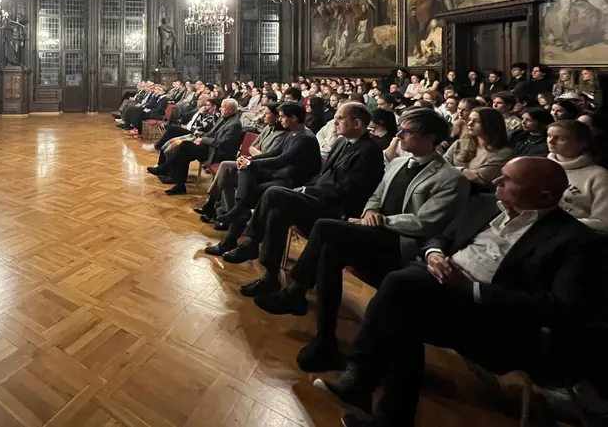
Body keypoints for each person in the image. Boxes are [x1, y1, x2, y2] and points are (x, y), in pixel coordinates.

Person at [313, 157, 608, 427]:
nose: (496, 182)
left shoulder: (576, 241)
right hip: (438, 290)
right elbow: (441, 237)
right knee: (402, 306)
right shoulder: (484, 204)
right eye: (500, 175)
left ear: (544, 196)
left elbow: (560, 309)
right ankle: (382, 407)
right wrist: (434, 255)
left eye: (509, 180)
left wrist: (473, 289)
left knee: (399, 294)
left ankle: (363, 379)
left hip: (496, 322)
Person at [253, 108, 468, 373]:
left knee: (325, 228)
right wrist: (370, 212)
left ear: (430, 137)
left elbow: (427, 222)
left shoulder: (450, 178)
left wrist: (383, 220)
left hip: (402, 245)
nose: (399, 135)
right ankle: (324, 339)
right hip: (373, 233)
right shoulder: (399, 163)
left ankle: (296, 294)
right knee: (330, 248)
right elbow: (375, 197)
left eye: (407, 131)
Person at [222, 102, 385, 296]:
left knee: (274, 193)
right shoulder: (342, 142)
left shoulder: (369, 152)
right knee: (277, 213)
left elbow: (348, 191)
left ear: (357, 123)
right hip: (319, 197)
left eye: (340, 118)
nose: (335, 122)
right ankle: (269, 277)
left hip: (337, 209)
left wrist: (308, 190)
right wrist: (307, 189)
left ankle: (252, 242)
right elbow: (323, 175)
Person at [206, 102, 321, 255]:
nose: (279, 119)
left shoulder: (305, 138)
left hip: (291, 182)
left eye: (282, 116)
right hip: (280, 175)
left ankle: (235, 222)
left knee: (249, 190)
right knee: (246, 175)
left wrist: (251, 164)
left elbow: (282, 160)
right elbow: (275, 153)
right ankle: (237, 213)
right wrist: (250, 160)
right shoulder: (292, 132)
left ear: (293, 118)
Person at [194, 102, 286, 222]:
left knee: (227, 174)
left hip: (261, 167)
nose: (264, 115)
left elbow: (267, 156)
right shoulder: (268, 128)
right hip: (251, 161)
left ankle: (217, 208)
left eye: (267, 113)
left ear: (276, 116)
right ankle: (217, 206)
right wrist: (255, 153)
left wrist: (255, 153)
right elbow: (251, 147)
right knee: (225, 166)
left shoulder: (281, 135)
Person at [155, 98, 243, 196]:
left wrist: (203, 140)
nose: (220, 109)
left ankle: (167, 171)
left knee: (184, 147)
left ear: (230, 110)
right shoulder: (223, 118)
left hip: (218, 153)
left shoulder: (235, 124)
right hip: (210, 147)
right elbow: (211, 133)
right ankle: (177, 183)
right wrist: (200, 138)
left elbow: (222, 143)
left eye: (222, 107)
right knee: (184, 150)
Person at [547, 120, 608, 231]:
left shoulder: (599, 175)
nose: (551, 141)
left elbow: (603, 222)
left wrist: (558, 226)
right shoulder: (539, 165)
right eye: (549, 136)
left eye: (561, 138)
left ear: (582, 143)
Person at [444, 107, 513, 193]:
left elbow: (480, 179)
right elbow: (440, 167)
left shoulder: (504, 153)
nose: (470, 124)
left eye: (476, 121)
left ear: (490, 124)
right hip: (449, 191)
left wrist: (453, 169)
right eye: (469, 120)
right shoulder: (459, 144)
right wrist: (463, 171)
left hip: (480, 197)